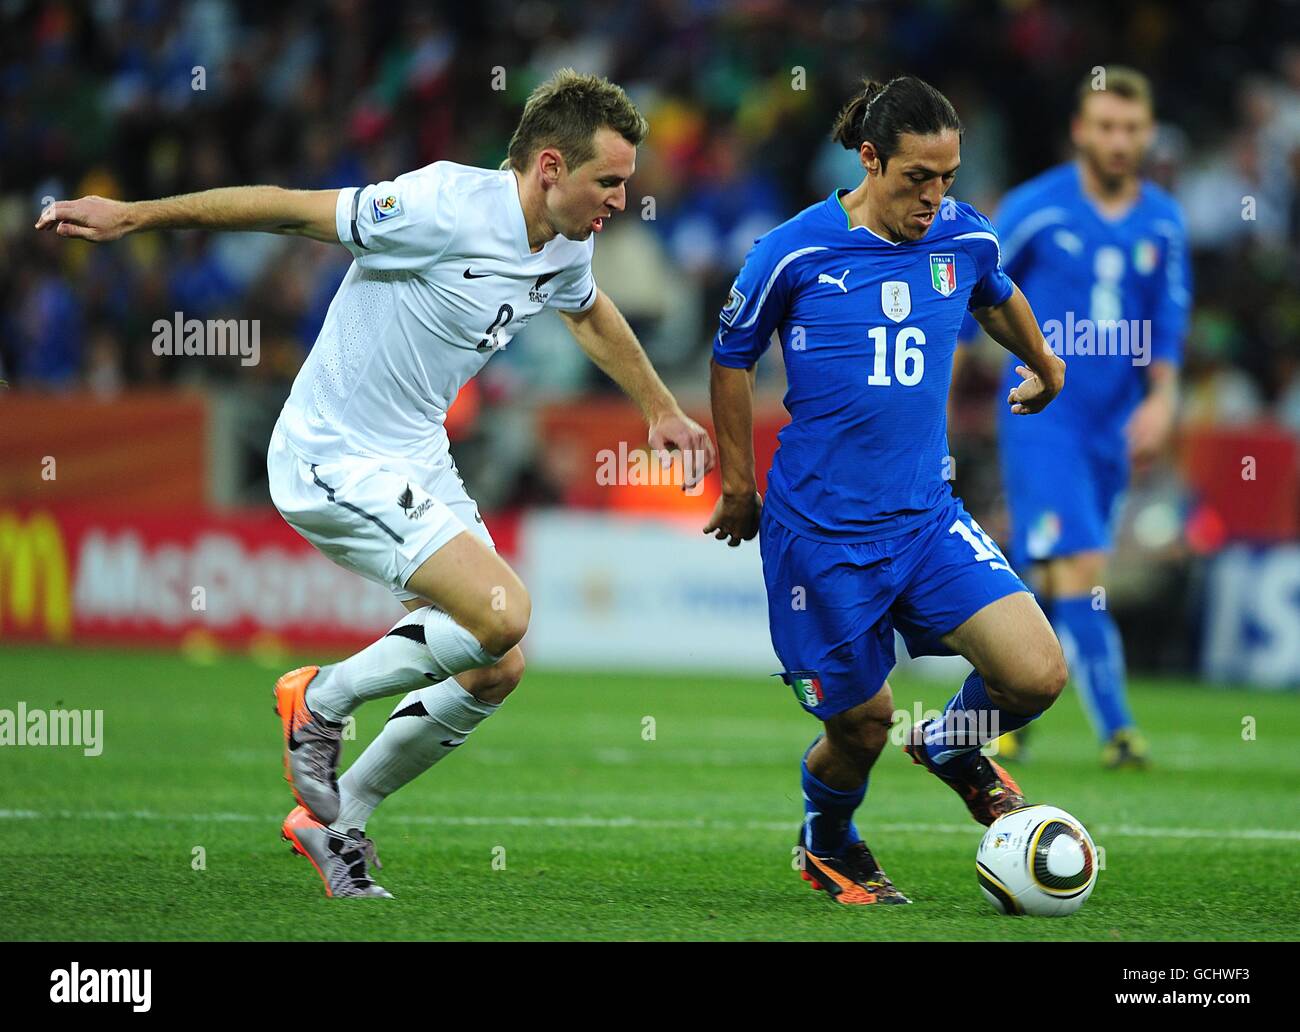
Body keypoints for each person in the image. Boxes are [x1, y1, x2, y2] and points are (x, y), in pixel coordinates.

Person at [38, 68, 715, 898]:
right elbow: (287, 206)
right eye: (608, 181)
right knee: (505, 610)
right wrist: (136, 216)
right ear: (548, 166)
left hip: (415, 455)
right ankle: (319, 698)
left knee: (495, 664)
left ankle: (336, 823)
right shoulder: (440, 206)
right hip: (333, 452)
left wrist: (657, 409)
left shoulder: (567, 240)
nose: (619, 200)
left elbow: (584, 308)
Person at [703, 76, 1067, 905]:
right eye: (916, 179)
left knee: (1036, 675)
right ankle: (828, 839)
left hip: (926, 521)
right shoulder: (791, 252)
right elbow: (731, 358)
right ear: (869, 159)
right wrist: (736, 482)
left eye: (948, 177)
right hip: (820, 538)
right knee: (862, 725)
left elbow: (997, 296)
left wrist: (1043, 365)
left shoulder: (964, 237)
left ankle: (947, 742)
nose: (935, 198)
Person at [953, 67, 1191, 768]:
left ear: (1146, 134)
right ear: (1081, 131)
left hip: (1112, 427)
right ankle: (1119, 729)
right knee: (1082, 566)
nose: (1119, 141)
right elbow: (975, 282)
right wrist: (949, 381)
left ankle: (1011, 711)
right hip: (1042, 413)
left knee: (1047, 566)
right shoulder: (1036, 206)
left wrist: (1162, 400)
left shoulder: (1164, 220)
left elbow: (1167, 324)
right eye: (1106, 126)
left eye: (1131, 128)